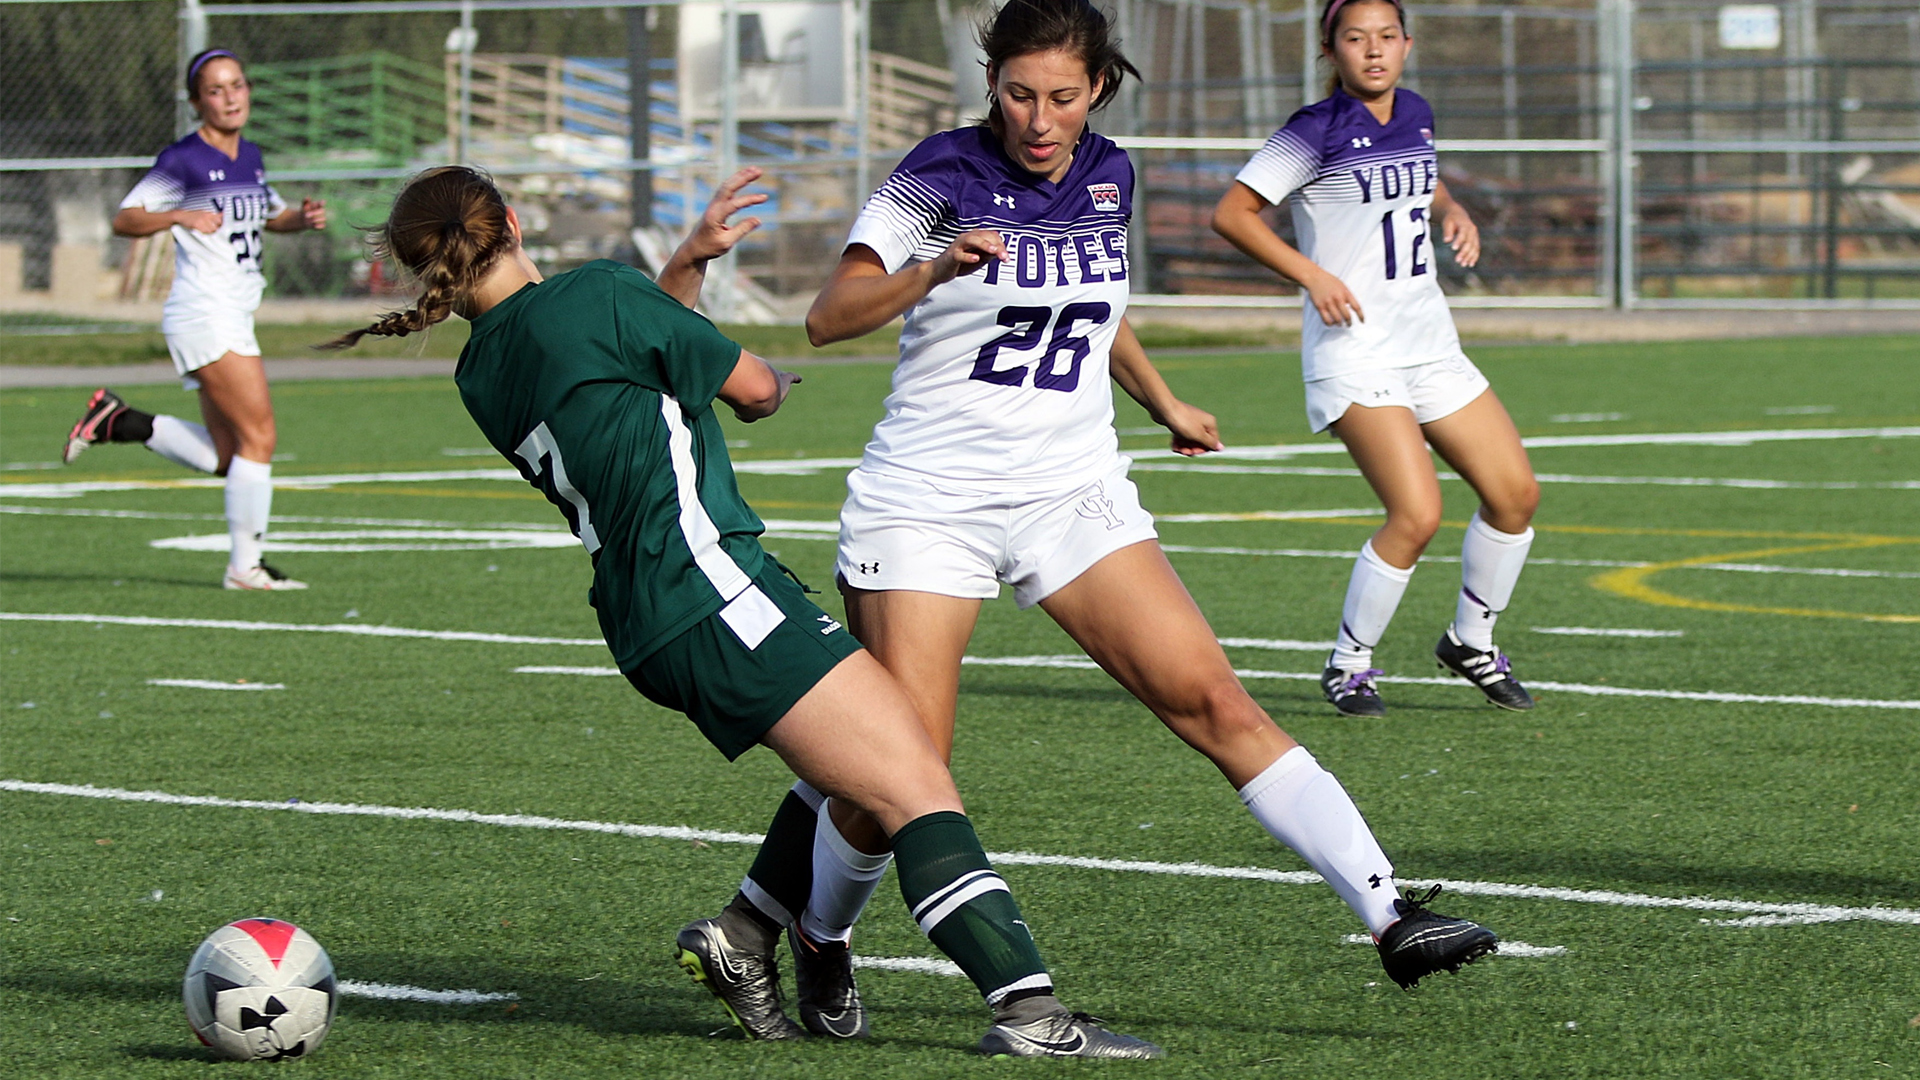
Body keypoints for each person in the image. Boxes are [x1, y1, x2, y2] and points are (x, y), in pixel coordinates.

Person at [688, 0, 1497, 1044]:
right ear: (993, 86)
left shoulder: (1110, 171)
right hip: (931, 500)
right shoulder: (938, 173)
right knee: (900, 770)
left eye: (1061, 96)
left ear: (1098, 89)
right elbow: (828, 315)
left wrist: (1161, 402)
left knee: (1210, 697)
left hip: (1073, 488)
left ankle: (1390, 914)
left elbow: (1100, 308)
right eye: (1020, 92)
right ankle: (813, 936)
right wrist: (930, 269)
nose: (1038, 116)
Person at [327, 163, 1161, 1059]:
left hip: (649, 615)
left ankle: (747, 929)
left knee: (862, 753)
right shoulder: (598, 293)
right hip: (713, 592)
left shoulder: (480, 366)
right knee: (913, 785)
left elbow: (620, 363)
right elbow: (753, 389)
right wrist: (753, 366)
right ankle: (1030, 1013)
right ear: (515, 222)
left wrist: (686, 264)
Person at [1211, 0, 1542, 718]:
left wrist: (1450, 208)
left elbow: (1422, 178)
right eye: (1355, 39)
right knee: (1416, 512)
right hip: (1354, 349)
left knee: (1515, 495)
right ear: (1330, 50)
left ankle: (1470, 642)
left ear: (1406, 44)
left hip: (1428, 342)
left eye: (1386, 37)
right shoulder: (1313, 130)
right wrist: (1311, 274)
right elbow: (1232, 213)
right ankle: (1348, 664)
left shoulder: (1416, 111)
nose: (1373, 51)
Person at [61, 47, 327, 591]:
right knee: (261, 439)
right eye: (215, 90)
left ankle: (119, 420)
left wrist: (302, 219)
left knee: (229, 454)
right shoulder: (182, 159)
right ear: (196, 102)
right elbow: (126, 218)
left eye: (237, 86)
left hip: (229, 313)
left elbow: (268, 214)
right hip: (207, 312)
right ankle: (244, 568)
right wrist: (178, 213)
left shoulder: (249, 155)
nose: (230, 98)